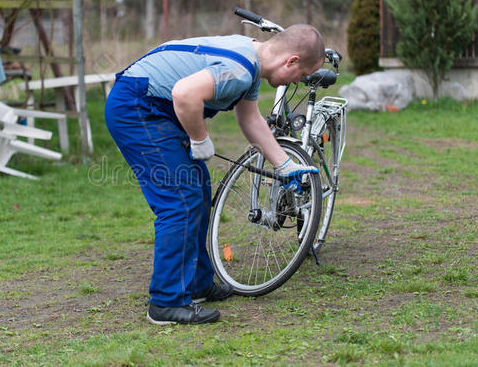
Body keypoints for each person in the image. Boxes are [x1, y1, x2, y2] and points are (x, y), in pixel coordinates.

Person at [105, 24, 325, 325]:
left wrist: (284, 164)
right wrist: (199, 139)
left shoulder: (252, 62)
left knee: (198, 192)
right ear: (291, 61)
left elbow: (250, 119)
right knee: (179, 201)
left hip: (154, 107)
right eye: (300, 76)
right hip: (137, 106)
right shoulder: (241, 67)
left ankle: (196, 283)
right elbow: (184, 95)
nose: (297, 81)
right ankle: (166, 302)